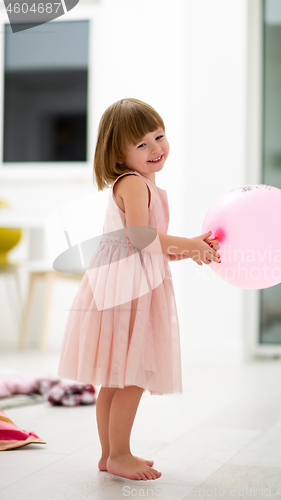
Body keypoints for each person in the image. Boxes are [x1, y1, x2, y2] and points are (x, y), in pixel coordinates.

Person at [57, 98, 221, 481]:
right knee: (132, 375)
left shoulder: (146, 185)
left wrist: (189, 248)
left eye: (159, 136)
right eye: (142, 144)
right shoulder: (132, 184)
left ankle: (109, 455)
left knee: (116, 377)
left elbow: (151, 247)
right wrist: (187, 244)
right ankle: (119, 454)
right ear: (118, 154)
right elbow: (139, 237)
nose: (156, 148)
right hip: (127, 293)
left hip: (127, 285)